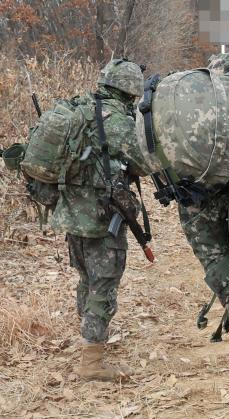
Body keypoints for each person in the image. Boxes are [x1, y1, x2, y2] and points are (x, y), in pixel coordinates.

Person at [50, 59, 145, 382]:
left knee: (87, 279)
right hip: (101, 216)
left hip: (71, 213)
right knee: (104, 283)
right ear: (130, 90)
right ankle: (92, 361)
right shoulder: (115, 120)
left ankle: (91, 341)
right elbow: (142, 161)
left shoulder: (81, 109)